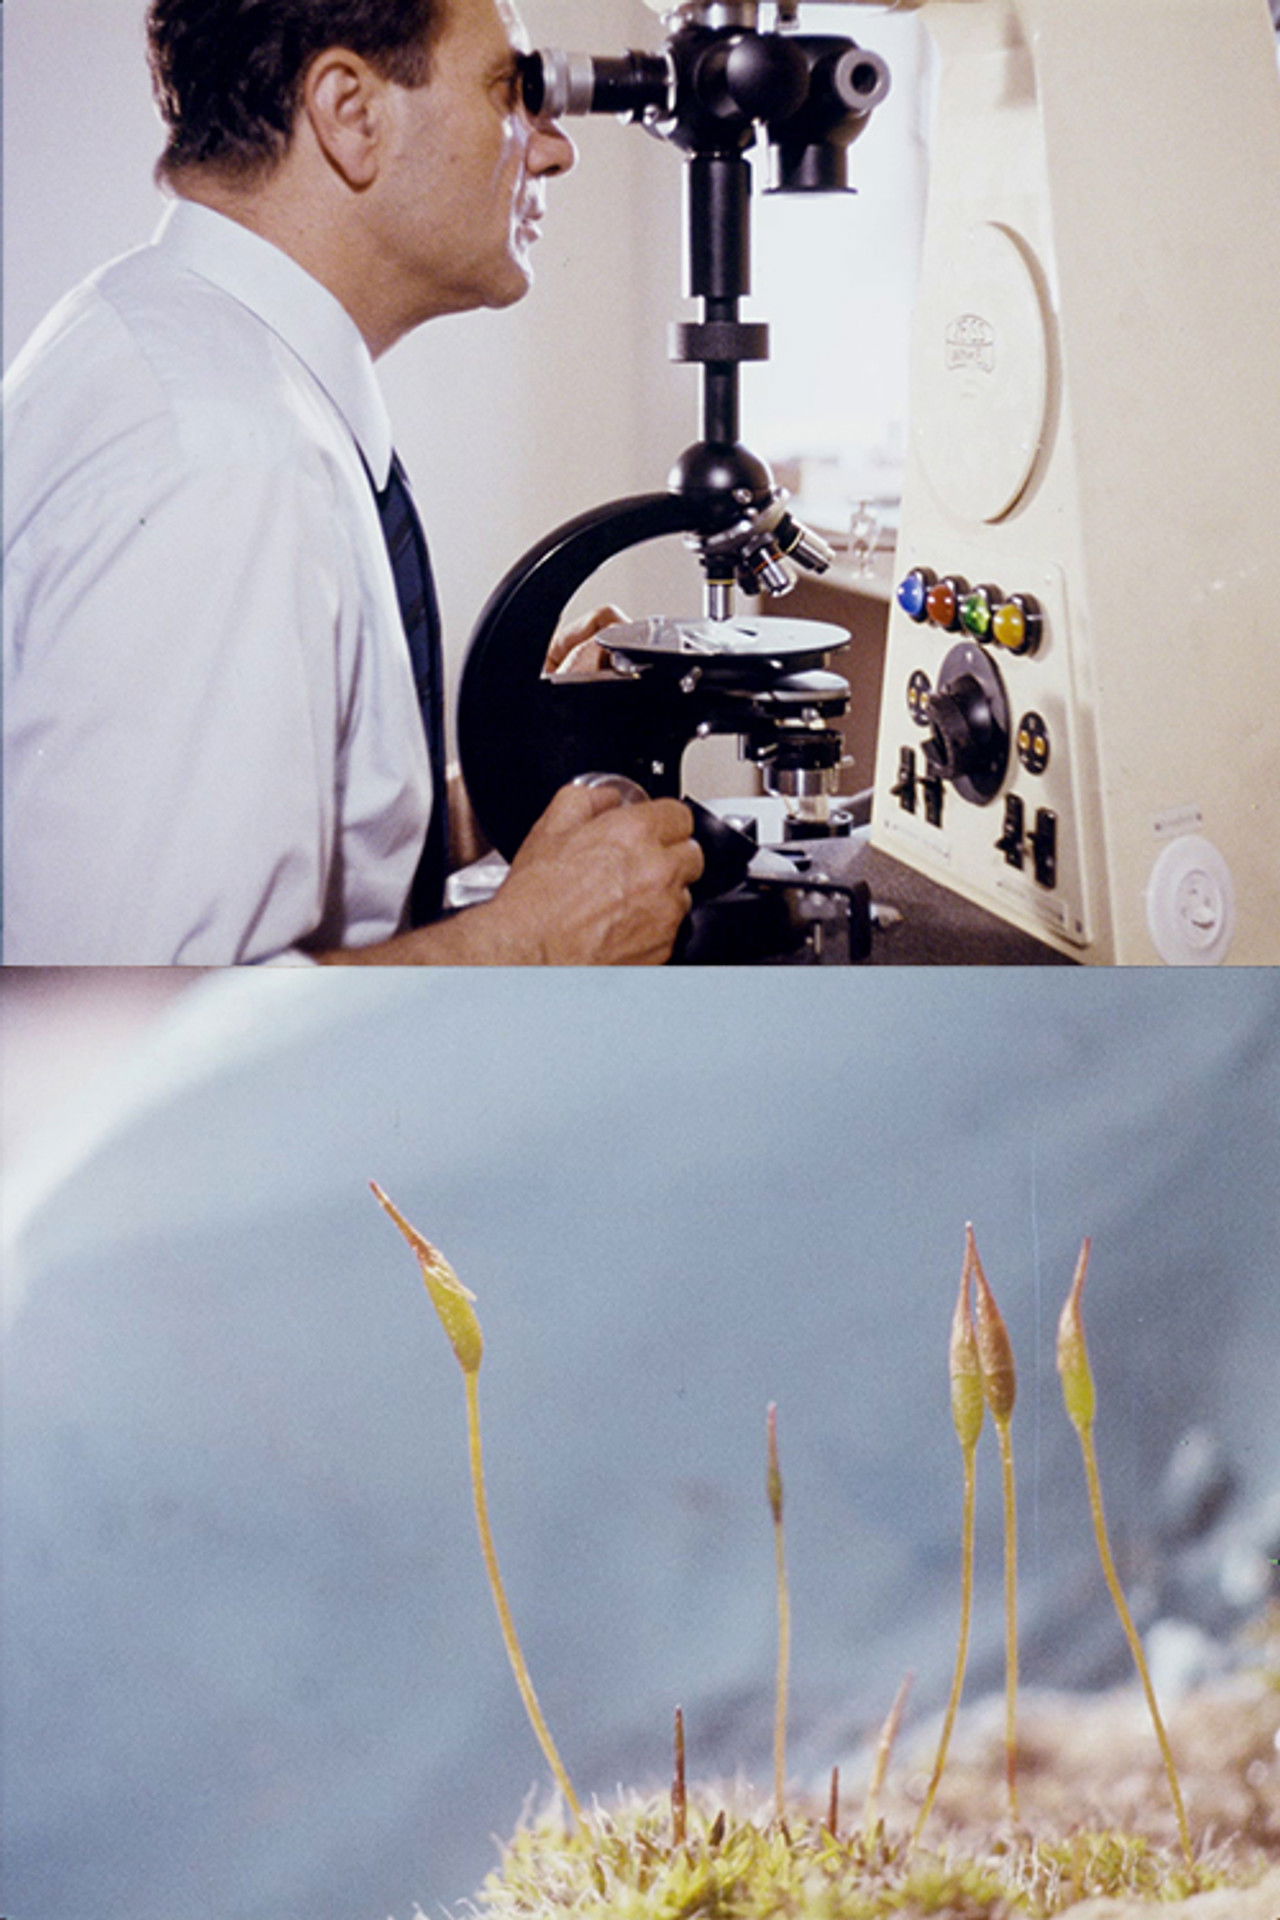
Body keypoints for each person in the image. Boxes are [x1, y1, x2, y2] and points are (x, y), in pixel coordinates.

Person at [1, 0, 703, 966]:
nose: (555, 149)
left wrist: (508, 778)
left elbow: (239, 863)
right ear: (351, 113)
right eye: (512, 90)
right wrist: (533, 941)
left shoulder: (171, 341)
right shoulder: (225, 462)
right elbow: (139, 1032)